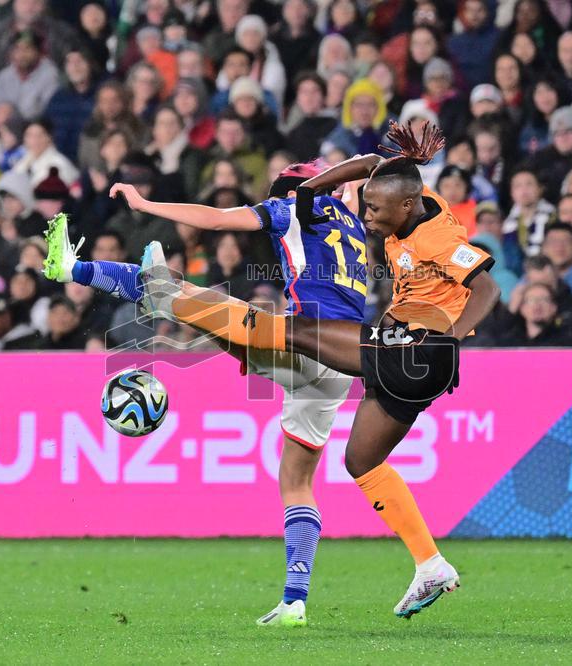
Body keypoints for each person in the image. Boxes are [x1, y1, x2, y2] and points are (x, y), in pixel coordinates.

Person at [76, 122, 499, 618]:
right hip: (397, 355)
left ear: (406, 206)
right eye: (366, 205)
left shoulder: (437, 238)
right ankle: (430, 564)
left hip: (413, 349)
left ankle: (162, 293)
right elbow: (372, 168)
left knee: (294, 331)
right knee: (360, 463)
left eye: (375, 211)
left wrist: (449, 339)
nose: (368, 218)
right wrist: (322, 186)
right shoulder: (399, 196)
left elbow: (487, 288)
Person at [45, 160, 367, 627]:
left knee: (204, 305)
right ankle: (295, 600)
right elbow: (351, 184)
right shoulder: (353, 221)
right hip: (342, 364)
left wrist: (145, 204)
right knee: (297, 481)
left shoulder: (292, 207)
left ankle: (108, 279)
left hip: (304, 339)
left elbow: (215, 218)